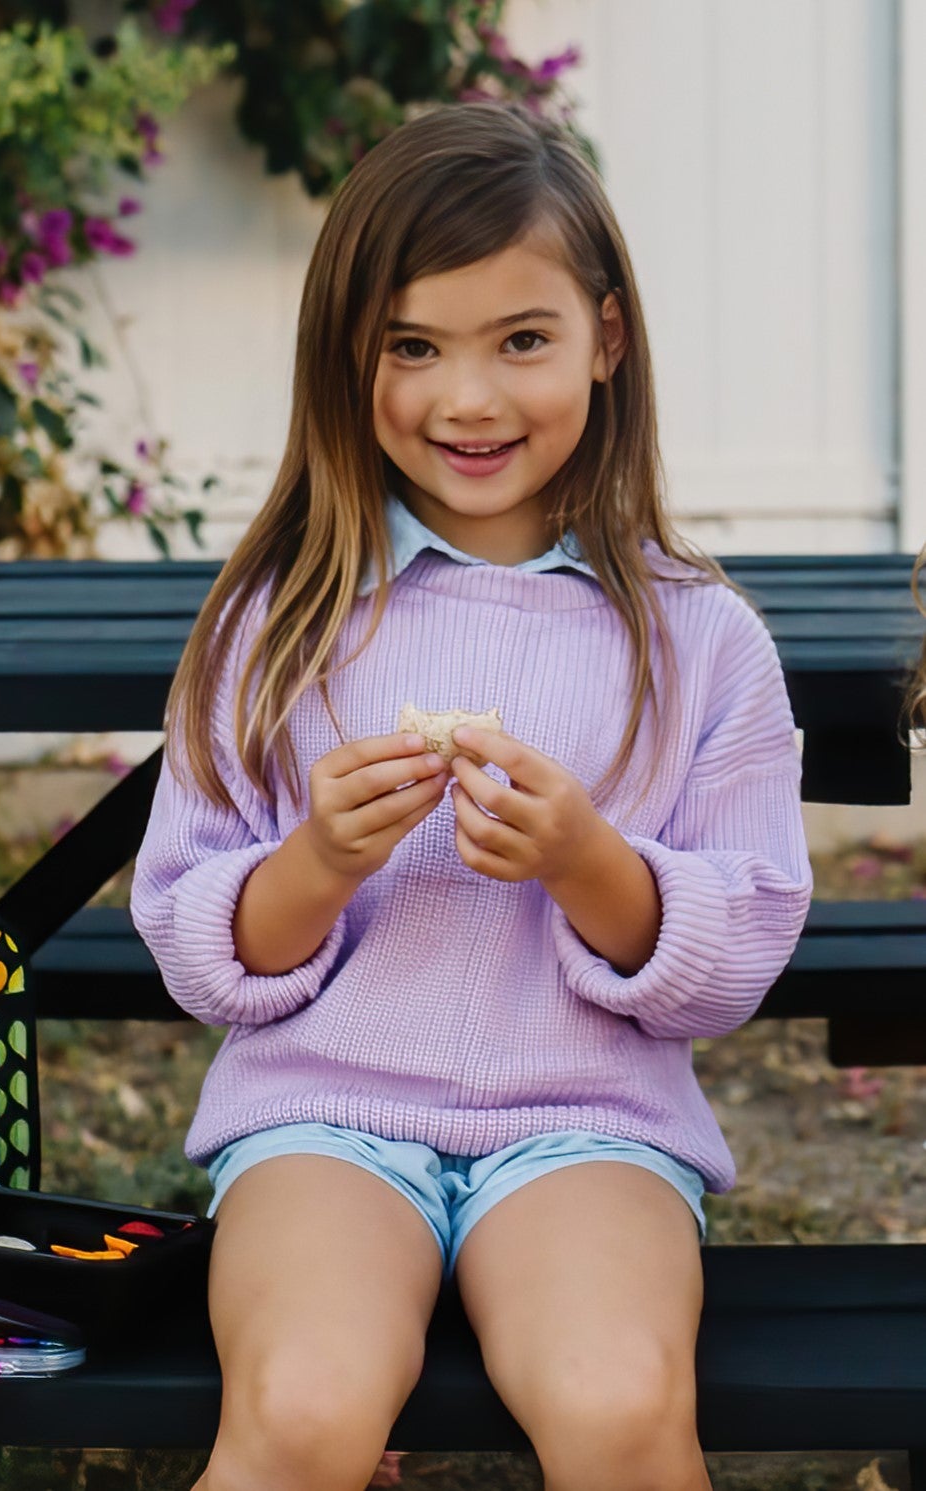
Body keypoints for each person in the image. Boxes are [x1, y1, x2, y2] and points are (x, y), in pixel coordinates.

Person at [130, 102, 812, 1491]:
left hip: (590, 1128)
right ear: (349, 359)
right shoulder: (276, 625)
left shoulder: (701, 641)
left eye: (524, 340)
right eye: (414, 347)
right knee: (306, 1407)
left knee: (619, 1405)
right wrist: (316, 861)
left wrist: (585, 862)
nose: (471, 400)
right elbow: (198, 937)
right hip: (320, 1120)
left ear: (607, 340)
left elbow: (735, 947)